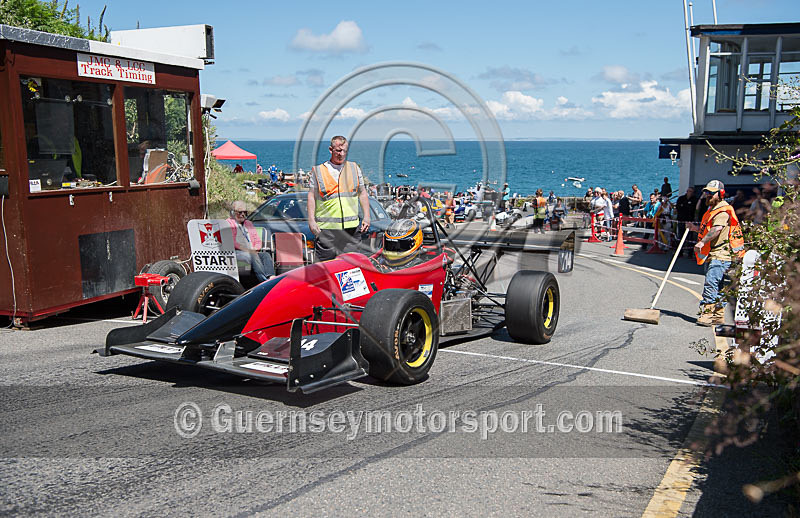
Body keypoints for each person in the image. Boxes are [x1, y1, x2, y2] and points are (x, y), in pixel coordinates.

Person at [689, 180, 745, 326]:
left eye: (711, 193)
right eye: (706, 192)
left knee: (711, 282)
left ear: (720, 194)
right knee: (719, 285)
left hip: (722, 253)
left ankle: (708, 314)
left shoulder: (723, 210)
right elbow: (709, 228)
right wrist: (695, 228)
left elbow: (716, 230)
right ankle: (718, 314)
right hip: (716, 252)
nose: (707, 195)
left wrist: (701, 243)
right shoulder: (712, 209)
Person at [308, 136, 371, 262]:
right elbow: (311, 196)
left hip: (351, 229)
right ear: (331, 150)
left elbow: (362, 193)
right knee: (324, 268)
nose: (341, 154)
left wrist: (367, 216)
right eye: (338, 151)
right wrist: (311, 220)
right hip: (327, 229)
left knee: (351, 267)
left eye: (344, 151)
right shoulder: (319, 171)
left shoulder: (354, 168)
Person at [227, 201, 275, 282]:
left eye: (245, 212)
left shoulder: (248, 223)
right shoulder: (228, 223)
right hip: (236, 252)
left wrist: (256, 247)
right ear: (232, 213)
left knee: (265, 255)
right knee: (253, 255)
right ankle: (263, 281)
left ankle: (271, 277)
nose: (243, 215)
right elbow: (232, 242)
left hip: (251, 251)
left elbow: (257, 240)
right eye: (240, 212)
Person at [675, 187, 698, 257]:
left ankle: (690, 253)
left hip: (690, 221)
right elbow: (678, 208)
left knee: (690, 238)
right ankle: (679, 252)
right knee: (680, 237)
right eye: (689, 191)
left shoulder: (694, 200)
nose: (690, 193)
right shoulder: (681, 199)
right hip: (681, 220)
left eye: (691, 191)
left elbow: (695, 209)